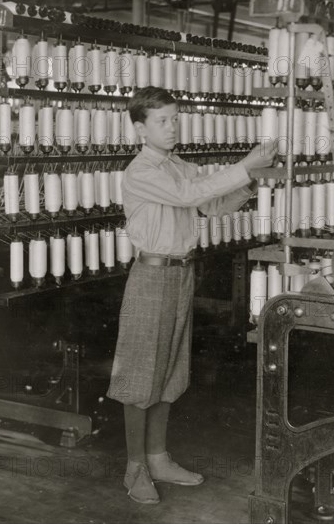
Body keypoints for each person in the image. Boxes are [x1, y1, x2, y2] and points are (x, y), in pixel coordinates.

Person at [107, 86, 276, 505]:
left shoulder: (178, 166)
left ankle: (159, 458)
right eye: (162, 121)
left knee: (169, 371)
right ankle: (134, 468)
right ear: (139, 129)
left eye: (175, 118)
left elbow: (210, 207)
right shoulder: (140, 171)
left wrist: (249, 180)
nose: (172, 127)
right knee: (141, 373)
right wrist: (244, 165)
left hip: (181, 275)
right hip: (150, 276)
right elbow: (189, 196)